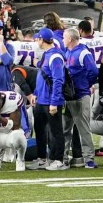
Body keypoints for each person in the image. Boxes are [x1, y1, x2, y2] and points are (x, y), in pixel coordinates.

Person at [62, 27, 99, 169]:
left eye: (64, 37)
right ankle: (63, 158)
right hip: (69, 97)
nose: (63, 40)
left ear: (70, 39)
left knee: (83, 128)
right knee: (65, 128)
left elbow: (94, 71)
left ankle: (89, 159)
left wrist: (85, 85)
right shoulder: (68, 52)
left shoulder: (83, 52)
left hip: (80, 96)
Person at [35, 28, 67, 171]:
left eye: (38, 39)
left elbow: (58, 80)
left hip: (50, 100)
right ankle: (44, 158)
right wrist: (36, 94)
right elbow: (41, 77)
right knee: (40, 130)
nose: (36, 41)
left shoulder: (55, 56)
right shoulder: (48, 54)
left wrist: (54, 102)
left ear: (42, 40)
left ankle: (58, 160)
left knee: (55, 131)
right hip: (42, 99)